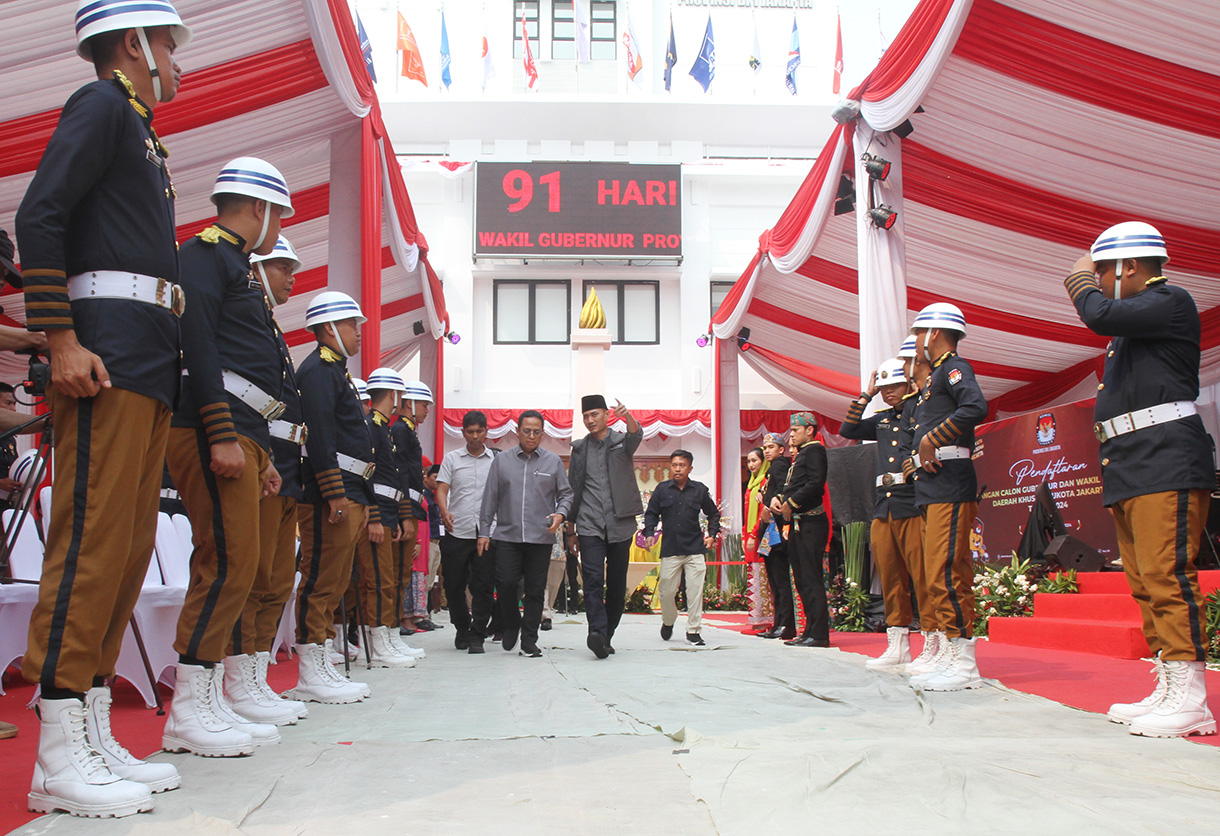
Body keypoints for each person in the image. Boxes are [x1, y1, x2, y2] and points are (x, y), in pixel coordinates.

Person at [16, 0, 191, 816]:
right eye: (170, 46)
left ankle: (89, 725)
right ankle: (57, 747)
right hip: (105, 350)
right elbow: (38, 214)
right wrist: (60, 339)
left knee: (125, 547)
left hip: (145, 353)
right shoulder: (100, 105)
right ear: (134, 46)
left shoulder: (141, 132)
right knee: (89, 539)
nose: (180, 62)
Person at [162, 158, 294, 757]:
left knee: (238, 563)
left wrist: (259, 450)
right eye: (278, 215)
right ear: (259, 208)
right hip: (211, 427)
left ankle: (208, 697)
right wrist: (220, 432)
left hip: (242, 431)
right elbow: (200, 346)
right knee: (227, 560)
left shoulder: (233, 264)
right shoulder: (205, 254)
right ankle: (190, 707)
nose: (279, 228)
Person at [1066, 223, 1215, 737]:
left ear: (1129, 265)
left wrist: (1079, 278)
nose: (1101, 281)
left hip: (1165, 457)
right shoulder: (1135, 327)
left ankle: (1192, 697)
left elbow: (1099, 314)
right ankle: (1170, 681)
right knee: (1144, 582)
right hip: (1131, 460)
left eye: (1105, 271)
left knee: (1166, 575)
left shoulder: (1170, 300)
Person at [229, 235, 309, 724]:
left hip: (277, 468)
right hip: (257, 460)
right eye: (284, 267)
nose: (292, 277)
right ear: (259, 266)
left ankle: (253, 677)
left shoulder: (270, 326)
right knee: (251, 577)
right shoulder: (246, 314)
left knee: (276, 582)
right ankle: (239, 680)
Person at [292, 291, 374, 704]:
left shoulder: (334, 370)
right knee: (321, 579)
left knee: (336, 579)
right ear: (329, 329)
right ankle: (310, 669)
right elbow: (319, 436)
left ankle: (322, 660)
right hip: (331, 491)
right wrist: (333, 492)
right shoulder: (318, 371)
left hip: (348, 487)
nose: (357, 333)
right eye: (351, 325)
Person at [903, 303, 988, 691]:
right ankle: (952, 653)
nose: (917, 343)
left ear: (933, 334)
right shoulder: (936, 377)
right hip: (934, 485)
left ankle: (964, 661)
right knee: (937, 570)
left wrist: (931, 438)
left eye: (920, 334)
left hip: (952, 482)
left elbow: (975, 405)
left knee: (948, 570)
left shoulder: (955, 368)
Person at [841, 358, 926, 670]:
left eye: (895, 386)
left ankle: (931, 643)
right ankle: (898, 643)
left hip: (913, 503)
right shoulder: (882, 420)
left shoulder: (919, 415)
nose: (889, 393)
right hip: (884, 505)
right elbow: (848, 428)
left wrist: (917, 394)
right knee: (890, 578)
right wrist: (866, 394)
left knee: (921, 576)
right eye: (885, 388)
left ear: (908, 385)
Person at [478, 410, 573, 657]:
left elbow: (566, 494)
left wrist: (560, 515)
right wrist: (484, 533)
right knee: (507, 584)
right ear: (518, 432)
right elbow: (490, 498)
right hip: (507, 536)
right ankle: (511, 624)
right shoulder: (502, 461)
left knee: (534, 590)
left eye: (537, 432)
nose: (531, 436)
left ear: (543, 433)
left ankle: (529, 640)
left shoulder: (552, 462)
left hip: (540, 538)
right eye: (527, 431)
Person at [568, 395, 643, 659]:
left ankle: (606, 635)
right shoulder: (579, 450)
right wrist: (570, 529)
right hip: (589, 525)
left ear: (606, 415)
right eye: (586, 416)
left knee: (617, 583)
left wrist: (629, 416)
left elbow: (637, 435)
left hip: (620, 523)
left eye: (594, 415)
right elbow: (573, 491)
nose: (590, 420)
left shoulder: (622, 442)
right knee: (592, 581)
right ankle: (596, 632)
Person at [354, 368, 418, 668]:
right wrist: (377, 517)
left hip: (390, 512)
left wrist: (399, 515)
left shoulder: (383, 428)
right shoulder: (371, 427)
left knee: (388, 578)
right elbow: (367, 477)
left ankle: (387, 635)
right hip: (378, 513)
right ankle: (377, 641)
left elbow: (395, 479)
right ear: (393, 395)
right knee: (378, 580)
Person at [642, 450, 721, 646]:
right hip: (671, 548)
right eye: (675, 465)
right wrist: (650, 533)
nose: (677, 468)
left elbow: (714, 514)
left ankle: (693, 631)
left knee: (695, 592)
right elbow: (651, 513)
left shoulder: (699, 490)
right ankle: (668, 620)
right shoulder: (662, 489)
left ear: (690, 468)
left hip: (695, 549)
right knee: (666, 591)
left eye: (682, 465)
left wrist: (711, 535)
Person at [436, 410, 498, 653]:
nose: (474, 436)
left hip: (486, 533)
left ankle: (477, 634)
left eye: (479, 431)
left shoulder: (495, 460)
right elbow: (442, 490)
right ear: (463, 433)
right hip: (457, 530)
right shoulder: (452, 459)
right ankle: (462, 627)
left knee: (483, 585)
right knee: (453, 584)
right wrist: (444, 510)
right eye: (470, 432)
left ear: (486, 432)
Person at [770, 414, 830, 648]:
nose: (791, 433)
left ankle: (820, 633)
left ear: (810, 430)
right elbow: (793, 485)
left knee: (811, 578)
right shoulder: (802, 453)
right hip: (798, 522)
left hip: (811, 522)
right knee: (801, 579)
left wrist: (791, 503)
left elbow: (815, 483)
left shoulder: (815, 450)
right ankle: (809, 630)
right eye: (791, 430)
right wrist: (779, 499)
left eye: (796, 429)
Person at [393, 380, 433, 652]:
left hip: (409, 509)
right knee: (394, 577)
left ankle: (392, 632)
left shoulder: (408, 431)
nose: (427, 411)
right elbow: (401, 476)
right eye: (424, 405)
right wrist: (404, 514)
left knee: (400, 577)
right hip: (401, 512)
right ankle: (391, 628)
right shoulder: (399, 431)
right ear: (409, 403)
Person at [757, 433, 794, 640]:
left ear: (781, 449)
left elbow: (782, 491)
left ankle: (785, 624)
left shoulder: (779, 465)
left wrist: (770, 502)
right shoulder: (772, 469)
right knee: (775, 580)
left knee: (780, 580)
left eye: (771, 446)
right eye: (765, 447)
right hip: (772, 532)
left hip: (776, 533)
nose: (767, 450)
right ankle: (779, 623)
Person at [742, 447, 771, 633]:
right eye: (749, 461)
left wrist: (753, 534)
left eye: (755, 461)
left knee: (764, 576)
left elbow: (763, 513)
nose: (751, 464)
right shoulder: (752, 484)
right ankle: (758, 618)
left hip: (761, 535)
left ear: (763, 462)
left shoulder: (765, 482)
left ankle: (767, 619)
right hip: (750, 535)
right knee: (755, 576)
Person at [422, 464, 445, 623]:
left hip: (436, 541)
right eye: (435, 477)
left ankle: (426, 614)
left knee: (431, 581)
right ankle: (421, 615)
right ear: (426, 477)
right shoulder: (422, 496)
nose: (438, 480)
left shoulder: (433, 497)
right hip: (426, 541)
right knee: (425, 580)